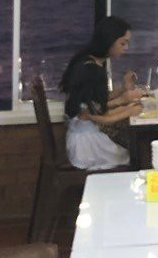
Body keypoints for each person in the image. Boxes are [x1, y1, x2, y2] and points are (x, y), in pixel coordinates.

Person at [60, 16, 146, 170]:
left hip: (80, 138)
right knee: (136, 156)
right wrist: (127, 106)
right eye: (122, 43)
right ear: (109, 41)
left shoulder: (88, 60)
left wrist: (123, 90)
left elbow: (95, 100)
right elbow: (100, 115)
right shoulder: (90, 70)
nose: (126, 48)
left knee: (132, 150)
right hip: (86, 147)